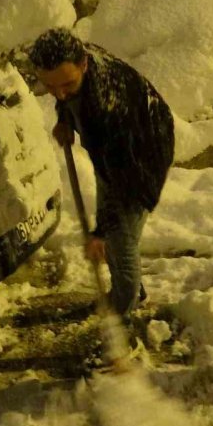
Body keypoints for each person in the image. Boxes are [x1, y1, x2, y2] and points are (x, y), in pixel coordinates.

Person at [29, 27, 174, 326]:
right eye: (50, 87)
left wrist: (99, 232)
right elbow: (65, 94)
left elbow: (121, 181)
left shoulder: (108, 110)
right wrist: (65, 118)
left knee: (120, 239)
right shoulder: (75, 67)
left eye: (67, 85)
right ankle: (130, 293)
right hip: (116, 153)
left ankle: (123, 317)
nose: (59, 93)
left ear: (83, 64)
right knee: (113, 232)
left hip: (141, 157)